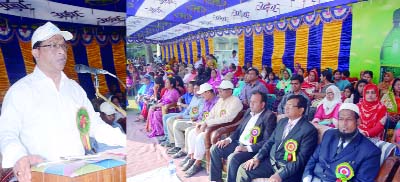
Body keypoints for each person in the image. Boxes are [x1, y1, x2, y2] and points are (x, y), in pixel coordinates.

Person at [0, 22, 125, 182]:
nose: (61, 51)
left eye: (63, 46)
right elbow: (6, 132)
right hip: (40, 175)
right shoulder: (20, 91)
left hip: (79, 173)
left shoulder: (75, 89)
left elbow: (94, 126)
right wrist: (19, 156)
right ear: (36, 52)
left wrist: (124, 142)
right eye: (53, 45)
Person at [236, 95, 318, 182]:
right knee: (244, 169)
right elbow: (270, 142)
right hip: (271, 162)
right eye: (286, 105)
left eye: (290, 106)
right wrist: (257, 158)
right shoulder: (283, 122)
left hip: (288, 168)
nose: (286, 108)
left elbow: (300, 159)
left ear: (301, 110)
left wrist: (280, 175)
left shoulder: (308, 130)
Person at [303, 103, 381, 181]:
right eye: (341, 119)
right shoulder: (329, 135)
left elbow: (361, 180)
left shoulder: (370, 151)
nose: (344, 124)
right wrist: (307, 177)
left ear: (358, 121)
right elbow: (313, 159)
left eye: (349, 119)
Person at [210, 91, 277, 182]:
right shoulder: (249, 111)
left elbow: (266, 141)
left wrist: (247, 148)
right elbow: (239, 129)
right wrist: (228, 139)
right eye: (251, 101)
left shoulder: (269, 117)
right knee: (215, 148)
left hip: (251, 149)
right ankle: (216, 180)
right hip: (238, 143)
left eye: (255, 102)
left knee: (233, 158)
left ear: (262, 104)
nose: (251, 104)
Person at [183, 80, 243, 177]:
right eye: (219, 90)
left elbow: (228, 119)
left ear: (229, 91)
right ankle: (192, 158)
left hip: (224, 130)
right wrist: (203, 123)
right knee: (192, 133)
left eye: (221, 90)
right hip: (212, 126)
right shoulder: (220, 100)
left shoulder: (235, 101)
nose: (218, 92)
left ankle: (197, 164)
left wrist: (207, 123)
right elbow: (212, 114)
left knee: (199, 138)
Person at [170, 83, 218, 158]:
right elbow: (201, 114)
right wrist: (196, 119)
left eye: (202, 94)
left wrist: (200, 122)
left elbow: (211, 118)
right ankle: (181, 148)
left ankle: (188, 153)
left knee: (189, 130)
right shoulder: (206, 100)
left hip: (206, 125)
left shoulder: (216, 102)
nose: (201, 96)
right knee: (177, 124)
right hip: (198, 121)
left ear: (208, 92)